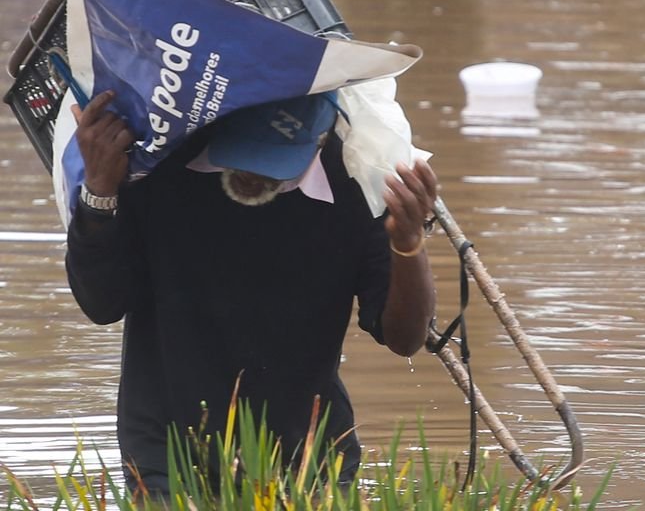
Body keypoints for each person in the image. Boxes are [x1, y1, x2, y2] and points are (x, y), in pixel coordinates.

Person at [63, 87, 438, 497]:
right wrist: (99, 191)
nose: (254, 174)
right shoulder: (157, 167)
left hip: (310, 455)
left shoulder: (357, 184)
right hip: (168, 457)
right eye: (244, 154)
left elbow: (405, 339)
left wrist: (409, 242)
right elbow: (101, 304)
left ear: (321, 140)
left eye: (277, 161)